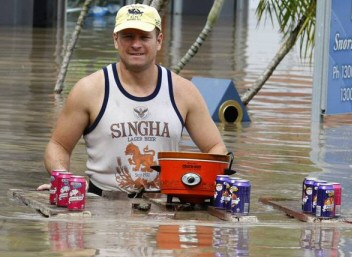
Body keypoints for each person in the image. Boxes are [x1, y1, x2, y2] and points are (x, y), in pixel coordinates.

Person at [37, 4, 227, 196]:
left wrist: (197, 184)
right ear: (116, 40)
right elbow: (58, 146)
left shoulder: (184, 91)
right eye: (128, 36)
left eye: (144, 37)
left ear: (159, 41)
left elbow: (215, 147)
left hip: (163, 207)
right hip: (102, 204)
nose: (136, 44)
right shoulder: (89, 90)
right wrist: (63, 178)